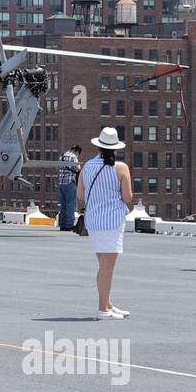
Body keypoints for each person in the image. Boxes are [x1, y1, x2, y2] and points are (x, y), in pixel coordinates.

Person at [78, 127, 133, 320]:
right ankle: (103, 309)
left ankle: (107, 303)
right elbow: (127, 197)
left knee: (103, 266)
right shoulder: (121, 168)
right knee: (108, 267)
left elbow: (80, 196)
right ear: (115, 148)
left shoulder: (87, 166)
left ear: (99, 147)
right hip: (112, 221)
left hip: (93, 221)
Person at [58, 145, 82, 231]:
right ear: (77, 151)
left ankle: (62, 224)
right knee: (71, 204)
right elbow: (78, 168)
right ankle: (69, 225)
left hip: (61, 183)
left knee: (63, 205)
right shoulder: (73, 156)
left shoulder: (62, 156)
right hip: (69, 183)